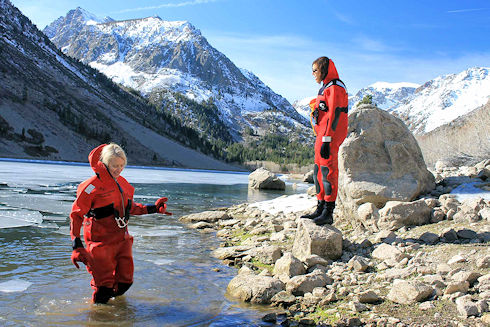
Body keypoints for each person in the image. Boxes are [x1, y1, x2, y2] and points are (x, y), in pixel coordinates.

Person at [69, 143, 171, 304]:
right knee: (104, 287)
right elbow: (76, 215)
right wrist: (77, 245)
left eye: (122, 165)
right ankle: (97, 317)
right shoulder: (90, 187)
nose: (118, 169)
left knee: (125, 282)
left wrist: (154, 209)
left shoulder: (121, 183)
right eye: (114, 166)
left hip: (122, 240)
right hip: (99, 242)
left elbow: (130, 208)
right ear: (104, 163)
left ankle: (114, 311)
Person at [301, 57, 348, 226]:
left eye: (315, 70)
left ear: (323, 69)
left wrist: (328, 139)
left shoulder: (335, 87)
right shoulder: (325, 87)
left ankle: (328, 211)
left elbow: (334, 114)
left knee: (328, 172)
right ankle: (320, 208)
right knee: (318, 172)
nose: (313, 74)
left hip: (330, 135)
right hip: (321, 134)